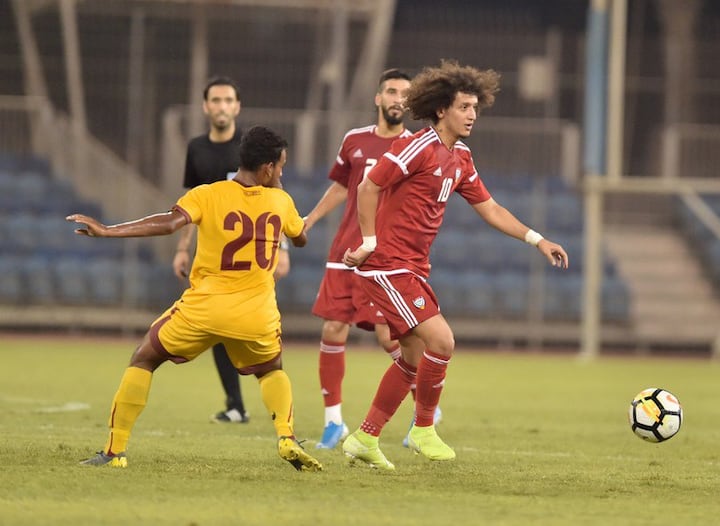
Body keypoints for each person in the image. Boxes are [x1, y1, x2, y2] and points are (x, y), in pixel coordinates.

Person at [340, 60, 569, 470]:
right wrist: (369, 241)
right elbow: (368, 184)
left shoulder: (460, 156)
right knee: (442, 342)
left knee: (411, 357)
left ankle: (364, 437)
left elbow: (491, 208)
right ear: (442, 109)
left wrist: (537, 240)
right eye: (465, 107)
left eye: (475, 108)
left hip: (412, 267)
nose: (472, 115)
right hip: (387, 265)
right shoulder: (418, 146)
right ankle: (422, 428)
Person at [70, 126, 322, 471]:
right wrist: (278, 191)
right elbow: (302, 237)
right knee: (271, 370)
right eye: (280, 166)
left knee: (144, 358)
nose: (281, 172)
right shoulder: (281, 201)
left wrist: (109, 230)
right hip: (256, 314)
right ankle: (286, 437)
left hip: (204, 309)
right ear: (267, 169)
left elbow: (169, 223)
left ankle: (114, 452)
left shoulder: (208, 194)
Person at [303, 69, 441, 449]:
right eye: (392, 91)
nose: (398, 98)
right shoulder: (354, 140)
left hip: (383, 257)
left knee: (390, 337)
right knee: (332, 329)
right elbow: (341, 186)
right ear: (378, 98)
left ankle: (421, 416)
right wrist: (310, 219)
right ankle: (334, 423)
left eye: (405, 94)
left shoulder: (417, 146)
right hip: (344, 251)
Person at [173, 76, 290, 424]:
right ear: (205, 106)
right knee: (217, 331)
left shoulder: (250, 149)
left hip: (252, 256)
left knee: (256, 333)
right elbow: (190, 206)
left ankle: (277, 411)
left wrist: (282, 249)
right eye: (216, 100)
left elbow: (276, 200)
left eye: (228, 100)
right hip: (213, 257)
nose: (222, 106)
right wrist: (182, 249)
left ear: (237, 107)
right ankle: (236, 405)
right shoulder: (196, 149)